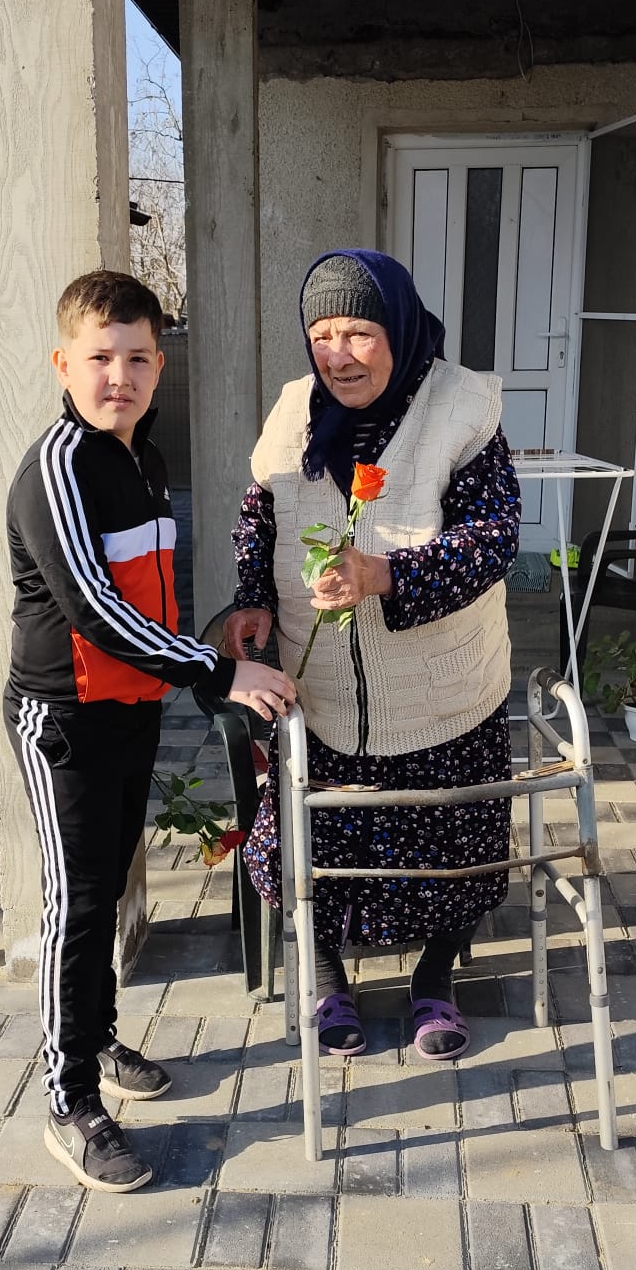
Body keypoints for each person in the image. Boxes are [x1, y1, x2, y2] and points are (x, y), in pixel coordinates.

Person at [5, 269, 295, 1192]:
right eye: (100, 358)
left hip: (129, 710)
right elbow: (94, 610)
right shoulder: (57, 468)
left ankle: (95, 1038)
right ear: (63, 364)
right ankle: (67, 1100)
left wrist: (211, 640)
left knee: (108, 889)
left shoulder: (144, 458)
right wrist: (218, 672)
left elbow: (148, 601)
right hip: (65, 720)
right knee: (78, 905)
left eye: (136, 358)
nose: (118, 376)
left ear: (159, 366)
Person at [228, 250, 520, 1062]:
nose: (339, 354)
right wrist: (253, 595)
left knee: (452, 849)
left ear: (397, 327)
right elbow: (259, 513)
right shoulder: (294, 409)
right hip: (320, 688)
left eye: (358, 332)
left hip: (441, 689)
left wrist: (385, 574)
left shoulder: (460, 407)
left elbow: (493, 537)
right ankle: (327, 978)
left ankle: (434, 980)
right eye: (322, 334)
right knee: (314, 842)